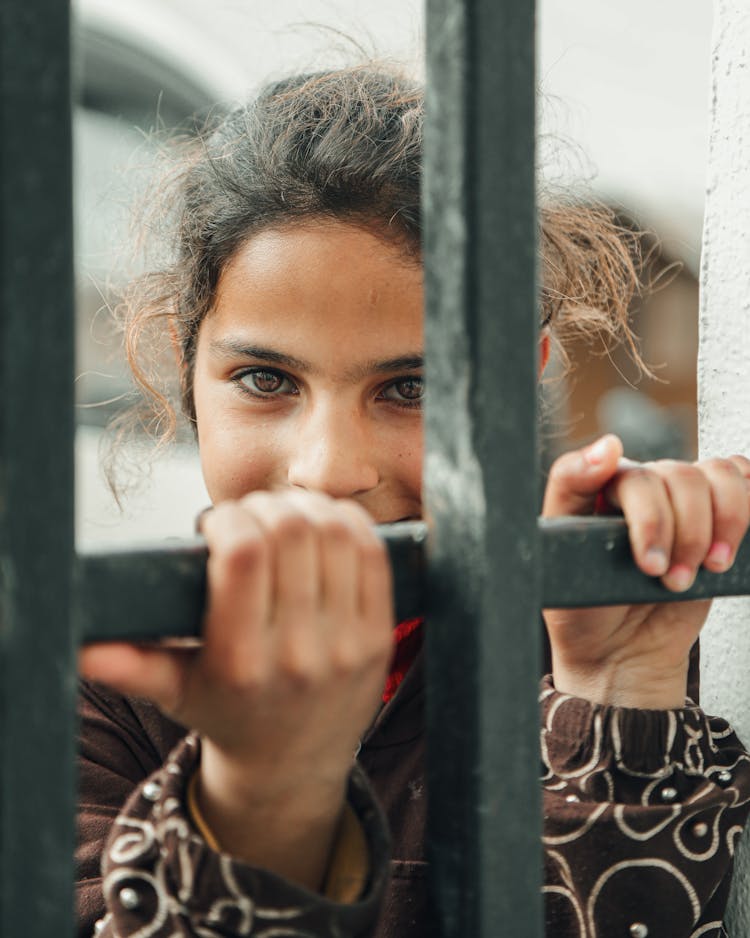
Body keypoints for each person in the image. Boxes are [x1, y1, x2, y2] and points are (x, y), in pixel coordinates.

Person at [76, 65, 750, 938]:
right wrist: (260, 798)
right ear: (186, 366)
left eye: (412, 387)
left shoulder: (609, 641)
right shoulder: (92, 690)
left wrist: (616, 692)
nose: (327, 471)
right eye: (266, 379)